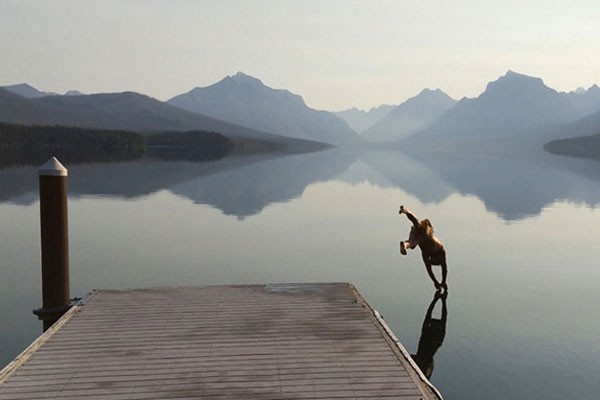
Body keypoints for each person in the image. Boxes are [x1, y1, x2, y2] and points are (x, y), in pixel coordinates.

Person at [399, 205, 448, 290]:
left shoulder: (426, 254)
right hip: (427, 234)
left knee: (412, 243)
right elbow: (443, 270)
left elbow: (430, 270)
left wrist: (437, 282)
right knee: (416, 224)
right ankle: (406, 211)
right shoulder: (440, 251)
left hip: (420, 238)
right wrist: (442, 282)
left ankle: (404, 245)